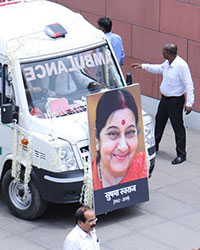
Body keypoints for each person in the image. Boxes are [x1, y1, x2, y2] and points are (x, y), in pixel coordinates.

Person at [131, 43, 194, 165]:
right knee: (159, 122)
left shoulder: (181, 66)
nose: (162, 53)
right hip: (165, 99)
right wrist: (143, 66)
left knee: (178, 127)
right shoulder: (168, 63)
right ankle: (155, 147)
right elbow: (159, 68)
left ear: (169, 53)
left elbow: (189, 84)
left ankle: (181, 154)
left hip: (175, 101)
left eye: (164, 51)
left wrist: (189, 103)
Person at [92, 88, 147, 190]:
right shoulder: (89, 178)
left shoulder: (143, 165)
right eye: (113, 134)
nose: (123, 147)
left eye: (130, 132)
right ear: (97, 137)